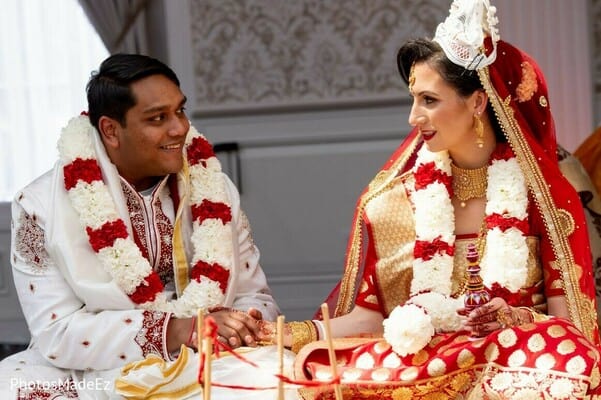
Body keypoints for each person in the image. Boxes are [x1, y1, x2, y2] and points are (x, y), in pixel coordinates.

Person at [256, 0, 601, 398]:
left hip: (513, 362)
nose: (413, 117)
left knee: (571, 364)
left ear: (477, 101)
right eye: (414, 99)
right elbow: (370, 317)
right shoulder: (397, 203)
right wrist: (286, 333)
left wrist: (513, 318)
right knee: (337, 374)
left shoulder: (543, 199)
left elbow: (571, 325)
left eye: (429, 100)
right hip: (425, 368)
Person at [0, 53, 279, 399]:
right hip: (98, 369)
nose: (179, 128)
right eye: (157, 118)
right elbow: (57, 332)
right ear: (111, 130)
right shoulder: (39, 208)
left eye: (180, 110)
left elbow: (256, 297)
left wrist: (235, 327)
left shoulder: (213, 187)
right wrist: (177, 330)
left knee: (280, 380)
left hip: (212, 359)